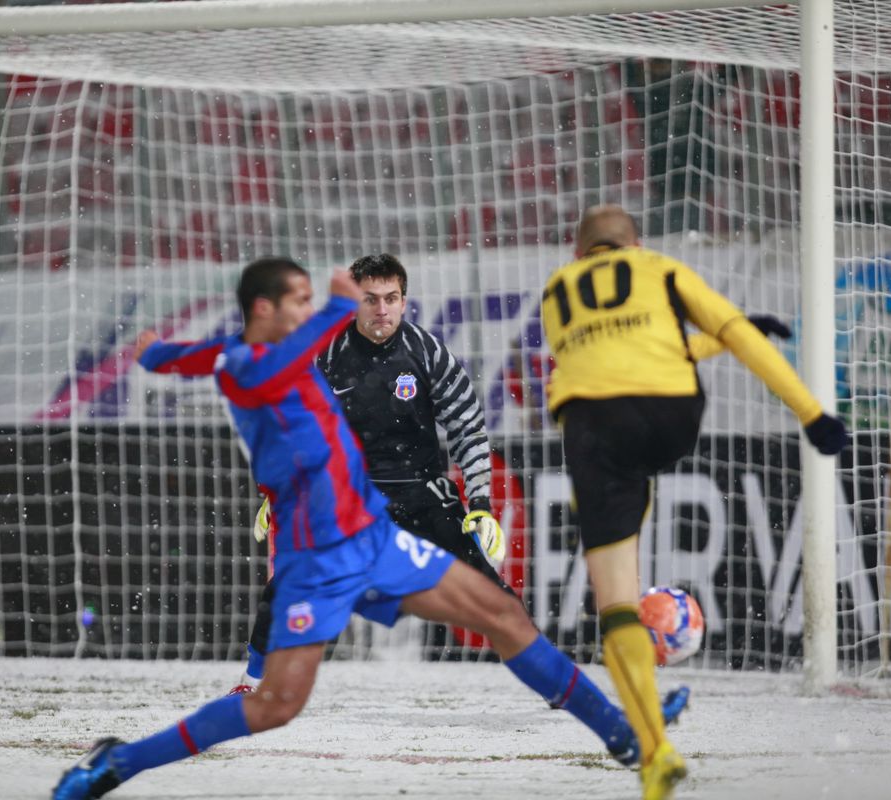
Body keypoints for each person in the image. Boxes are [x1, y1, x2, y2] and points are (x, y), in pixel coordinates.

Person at [54, 257, 652, 800]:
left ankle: (624, 734)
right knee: (274, 708)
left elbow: (188, 357)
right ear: (266, 309)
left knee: (504, 615)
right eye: (301, 300)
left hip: (377, 535)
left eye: (318, 301)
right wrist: (342, 306)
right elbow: (267, 355)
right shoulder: (251, 368)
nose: (313, 310)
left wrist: (156, 355)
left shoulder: (270, 349)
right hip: (318, 560)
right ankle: (120, 763)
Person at [539, 205, 848, 800]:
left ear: (578, 255)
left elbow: (606, 356)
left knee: (617, 609)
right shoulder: (658, 267)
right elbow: (727, 335)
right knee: (646, 454)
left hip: (592, 426)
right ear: (637, 243)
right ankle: (656, 749)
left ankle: (655, 756)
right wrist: (809, 412)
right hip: (670, 414)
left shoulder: (557, 292)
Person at [233, 252, 509, 691]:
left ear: (404, 301)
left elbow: (469, 430)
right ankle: (249, 683)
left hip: (421, 490)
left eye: (391, 298)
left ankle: (553, 680)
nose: (381, 309)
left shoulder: (428, 352)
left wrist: (479, 504)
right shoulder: (323, 353)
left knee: (492, 595)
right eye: (370, 299)